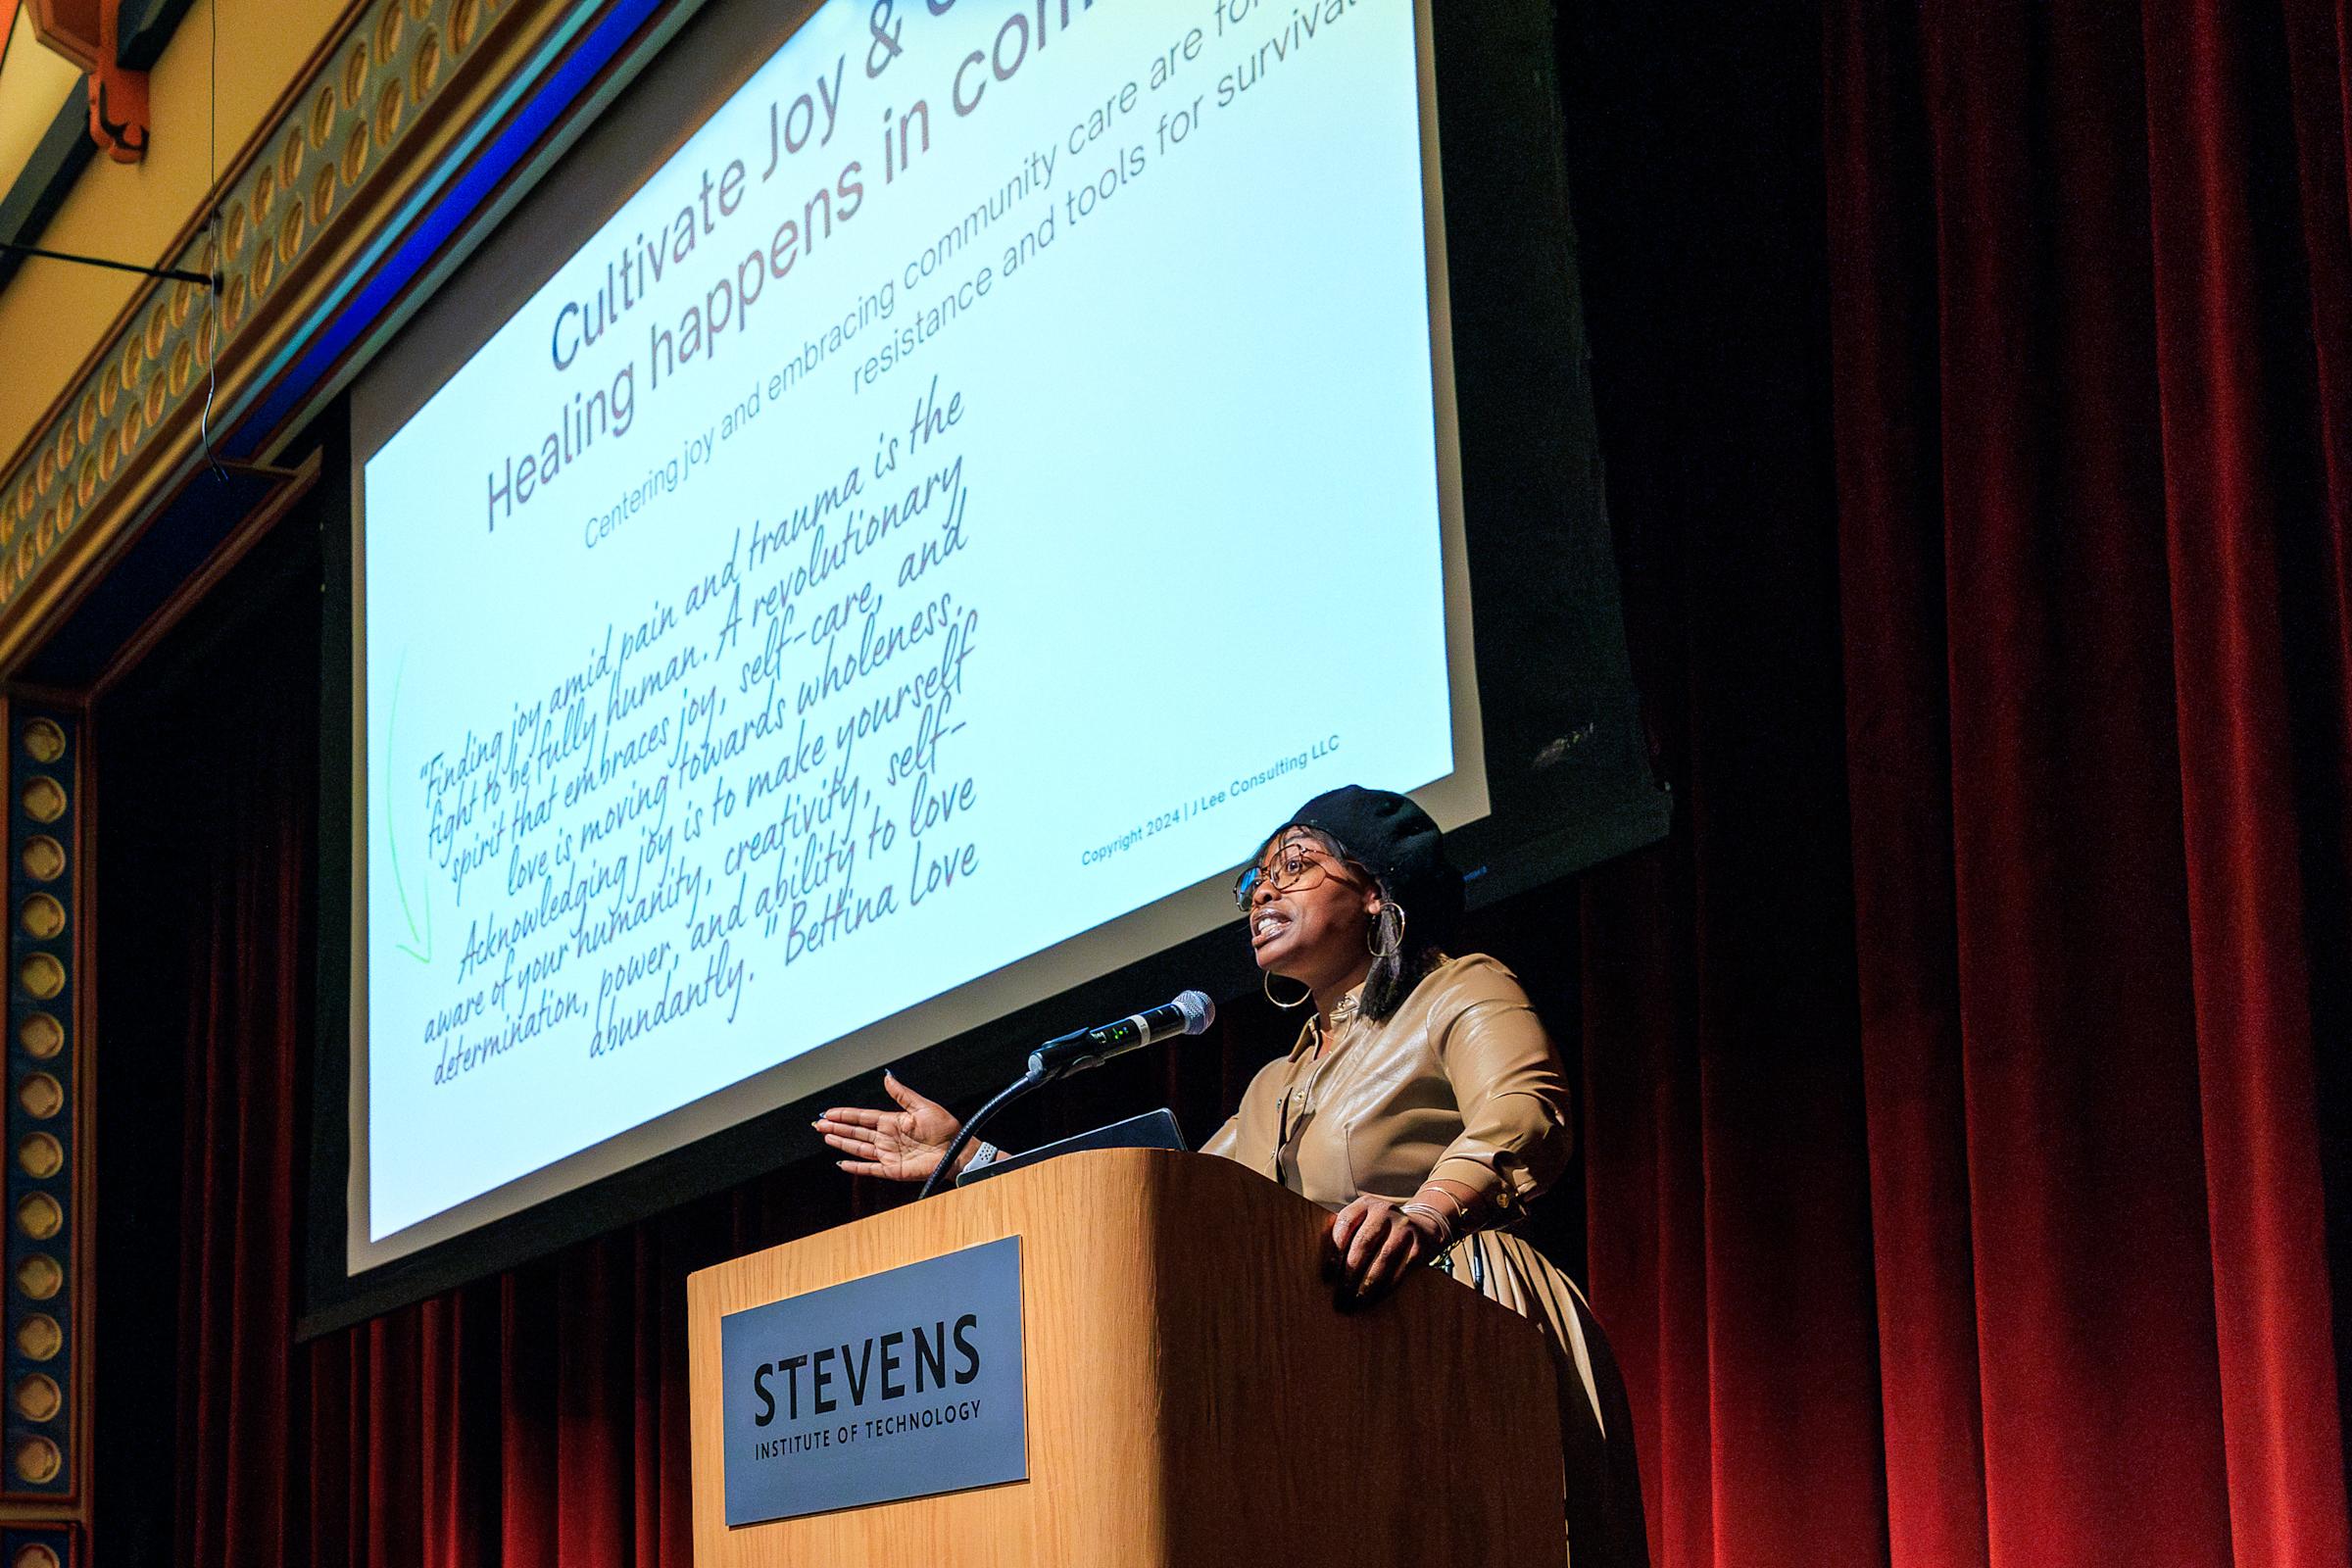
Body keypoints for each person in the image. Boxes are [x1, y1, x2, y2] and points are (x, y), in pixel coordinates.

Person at [814, 785, 1648, 1567]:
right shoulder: (1273, 1084)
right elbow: (1159, 1196)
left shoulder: (1456, 988)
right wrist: (973, 1159)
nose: (1261, 892)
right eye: (1257, 876)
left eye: (1295, 866)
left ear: (1374, 893)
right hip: (1334, 1352)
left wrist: (1427, 1210)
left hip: (1465, 1307)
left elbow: (1527, 1111)